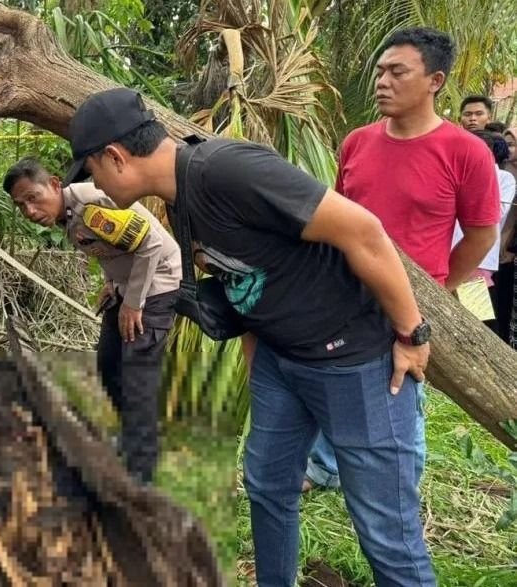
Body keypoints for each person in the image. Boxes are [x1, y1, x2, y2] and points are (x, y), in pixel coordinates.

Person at [63, 87, 435, 586]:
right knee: (267, 487)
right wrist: (262, 367)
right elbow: (244, 282)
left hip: (353, 361)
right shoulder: (178, 199)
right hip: (281, 361)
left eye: (92, 172)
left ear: (115, 156)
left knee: (386, 531)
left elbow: (363, 231)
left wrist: (413, 333)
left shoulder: (227, 170)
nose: (96, 186)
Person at [306, 28, 499, 492]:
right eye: (380, 72)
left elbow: (481, 234)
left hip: (411, 301)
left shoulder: (466, 151)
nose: (382, 82)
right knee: (335, 378)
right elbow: (340, 215)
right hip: (343, 290)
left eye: (397, 72)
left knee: (400, 388)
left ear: (435, 81)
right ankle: (325, 466)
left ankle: (400, 486)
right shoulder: (357, 142)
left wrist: (438, 286)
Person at [3, 157, 181, 484]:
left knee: (136, 377)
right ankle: (132, 437)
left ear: (54, 184)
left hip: (155, 286)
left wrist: (133, 302)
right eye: (20, 205)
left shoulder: (90, 207)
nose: (29, 210)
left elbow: (153, 244)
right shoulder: (67, 214)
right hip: (126, 287)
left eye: (33, 198)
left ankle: (140, 474)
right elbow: (114, 247)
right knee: (109, 366)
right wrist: (112, 283)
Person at [451, 130, 516, 337]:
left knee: (477, 323)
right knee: (450, 314)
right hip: (448, 253)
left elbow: (495, 213)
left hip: (477, 259)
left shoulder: (503, 178)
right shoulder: (456, 173)